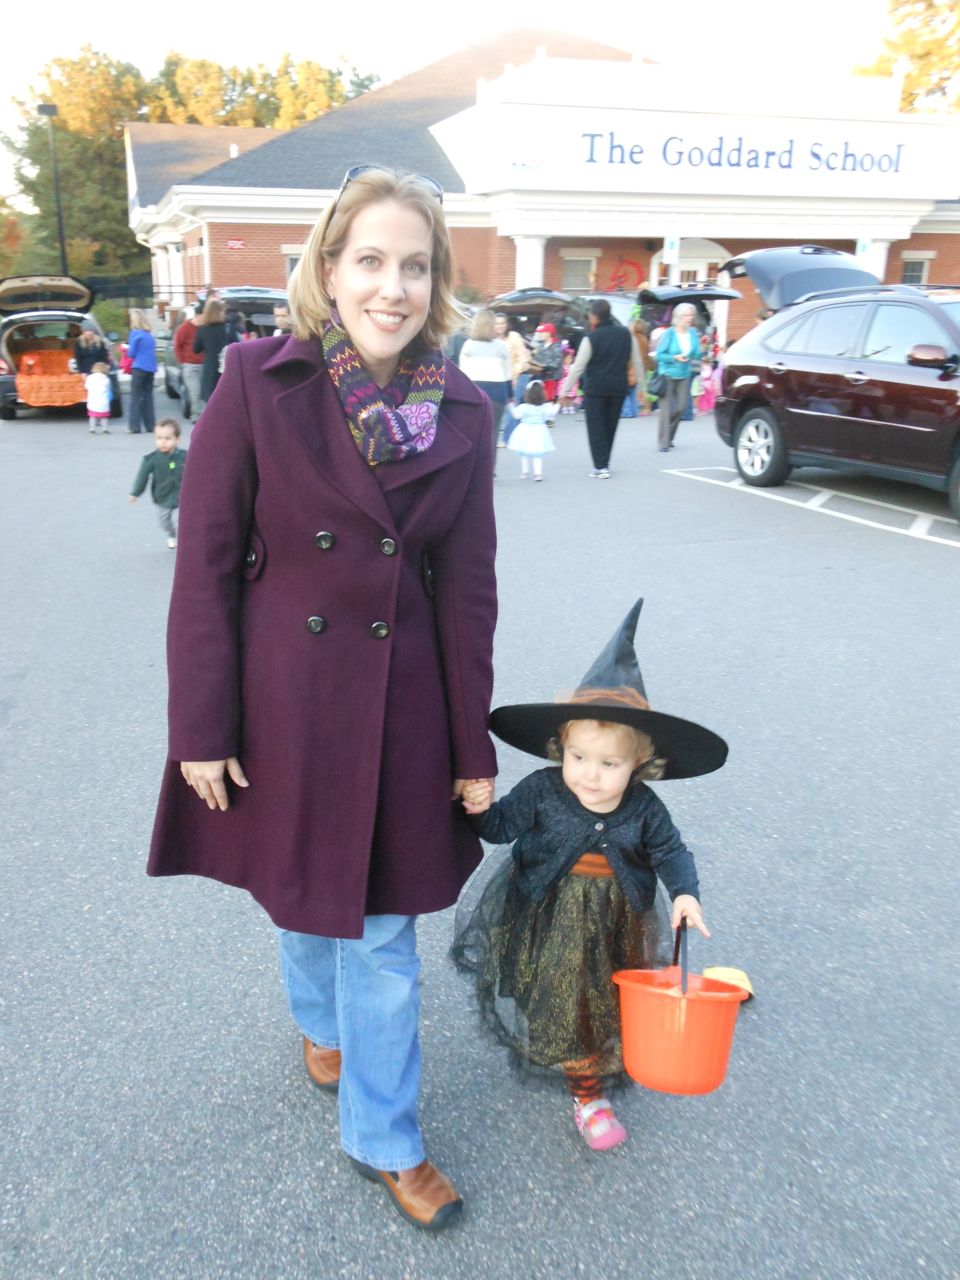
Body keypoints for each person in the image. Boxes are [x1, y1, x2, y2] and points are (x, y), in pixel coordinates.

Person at [146, 165, 498, 1232]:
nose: (394, 287)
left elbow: (467, 590)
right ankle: (320, 1022)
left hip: (401, 705)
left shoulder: (465, 409)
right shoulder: (260, 380)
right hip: (286, 698)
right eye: (372, 260)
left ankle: (385, 1135)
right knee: (301, 885)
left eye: (415, 266)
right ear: (331, 270)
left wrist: (471, 745)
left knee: (382, 932)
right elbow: (205, 565)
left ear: (436, 282)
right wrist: (200, 726)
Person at [454, 600, 727, 1151]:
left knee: (602, 1002)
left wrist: (685, 895)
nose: (590, 776)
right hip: (547, 916)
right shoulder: (542, 789)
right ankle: (586, 1087)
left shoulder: (644, 808)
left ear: (640, 765)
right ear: (562, 747)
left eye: (609, 764)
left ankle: (589, 1085)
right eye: (579, 757)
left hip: (616, 922)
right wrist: (480, 809)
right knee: (557, 998)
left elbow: (671, 851)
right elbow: (502, 828)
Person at [559, 300, 642, 478]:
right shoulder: (626, 334)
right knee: (610, 426)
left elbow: (578, 367)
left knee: (596, 428)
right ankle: (605, 462)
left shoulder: (591, 338)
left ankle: (600, 466)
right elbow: (637, 361)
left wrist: (564, 390)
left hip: (596, 389)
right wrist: (642, 387)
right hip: (618, 387)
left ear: (595, 317)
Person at [129, 418, 187, 549]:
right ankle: (171, 534)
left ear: (177, 439)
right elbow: (142, 477)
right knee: (164, 522)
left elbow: (197, 473)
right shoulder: (151, 459)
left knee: (179, 521)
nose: (163, 442)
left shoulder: (185, 456)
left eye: (168, 438)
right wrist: (136, 493)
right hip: (162, 497)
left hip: (182, 496)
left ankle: (183, 541)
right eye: (159, 438)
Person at [458, 309, 512, 447]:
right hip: (497, 392)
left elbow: (462, 374)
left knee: (473, 433)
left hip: (473, 392)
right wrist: (510, 395)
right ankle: (490, 461)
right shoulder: (501, 346)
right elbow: (508, 373)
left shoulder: (468, 345)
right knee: (493, 434)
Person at [655, 302, 699, 451]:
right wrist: (674, 357)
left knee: (681, 408)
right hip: (667, 374)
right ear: (678, 317)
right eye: (686, 315)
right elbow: (659, 355)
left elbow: (696, 354)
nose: (690, 318)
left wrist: (703, 351)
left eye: (691, 315)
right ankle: (663, 443)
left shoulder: (693, 333)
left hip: (684, 374)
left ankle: (669, 436)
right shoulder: (669, 333)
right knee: (667, 410)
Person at [505, 379, 555, 481]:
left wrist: (510, 404)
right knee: (537, 452)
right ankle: (538, 473)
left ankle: (525, 472)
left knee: (524, 451)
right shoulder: (545, 407)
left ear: (527, 394)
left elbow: (516, 415)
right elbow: (551, 415)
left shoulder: (524, 407)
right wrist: (558, 404)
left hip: (524, 430)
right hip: (540, 430)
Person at [495, 312, 531, 445]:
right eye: (497, 323)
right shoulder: (492, 339)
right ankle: (515, 437)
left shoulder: (514, 337)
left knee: (511, 407)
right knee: (504, 408)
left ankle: (507, 438)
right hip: (500, 378)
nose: (499, 326)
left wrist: (514, 375)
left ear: (507, 324)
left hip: (518, 376)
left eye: (502, 323)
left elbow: (523, 358)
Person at [192, 299, 232, 408]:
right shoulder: (228, 328)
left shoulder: (202, 329)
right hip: (226, 371)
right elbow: (237, 346)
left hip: (209, 372)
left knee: (210, 407)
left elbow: (195, 349)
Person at [126, 309, 157, 435]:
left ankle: (135, 426)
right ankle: (150, 425)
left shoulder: (135, 333)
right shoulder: (149, 335)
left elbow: (131, 353)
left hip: (139, 367)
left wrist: (126, 349)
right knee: (148, 396)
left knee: (135, 397)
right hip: (151, 368)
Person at [173, 307, 204, 420]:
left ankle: (204, 416)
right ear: (198, 315)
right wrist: (183, 361)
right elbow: (178, 346)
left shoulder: (204, 328)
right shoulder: (184, 328)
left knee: (204, 392)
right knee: (195, 391)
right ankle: (196, 416)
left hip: (204, 365)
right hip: (190, 365)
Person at [528, 322, 565, 401]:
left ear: (549, 333)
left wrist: (546, 367)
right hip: (540, 378)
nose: (540, 334)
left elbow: (557, 362)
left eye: (542, 332)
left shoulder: (556, 346)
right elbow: (536, 360)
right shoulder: (540, 347)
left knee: (548, 399)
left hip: (552, 378)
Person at [85, 361, 112, 434]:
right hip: (103, 402)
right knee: (104, 417)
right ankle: (105, 429)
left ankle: (92, 429)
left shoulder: (90, 378)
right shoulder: (106, 379)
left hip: (93, 401)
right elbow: (108, 388)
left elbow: (86, 387)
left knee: (92, 416)